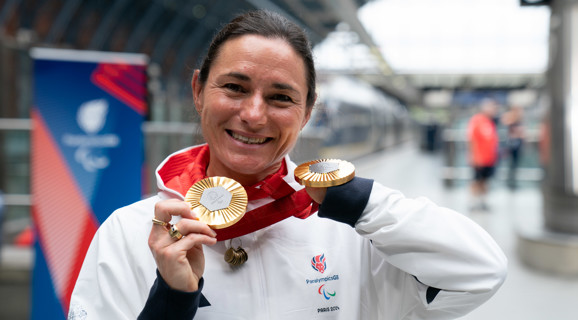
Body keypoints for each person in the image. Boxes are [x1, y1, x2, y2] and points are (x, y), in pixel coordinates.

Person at [69, 10, 506, 320]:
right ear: (199, 91)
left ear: (308, 111)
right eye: (235, 87)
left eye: (280, 97)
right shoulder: (129, 233)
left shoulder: (358, 232)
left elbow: (482, 272)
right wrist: (171, 300)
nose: (254, 114)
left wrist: (357, 200)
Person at [467, 99, 499, 212]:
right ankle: (473, 202)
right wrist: (474, 156)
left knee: (485, 181)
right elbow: (472, 140)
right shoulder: (477, 120)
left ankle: (483, 202)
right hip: (479, 158)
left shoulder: (490, 122)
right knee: (476, 180)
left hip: (489, 159)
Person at [501, 106, 526, 189]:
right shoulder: (511, 120)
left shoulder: (518, 120)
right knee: (511, 165)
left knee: (514, 165)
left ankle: (512, 182)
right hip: (512, 145)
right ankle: (510, 182)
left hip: (517, 145)